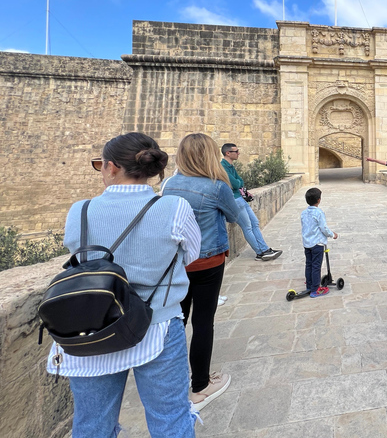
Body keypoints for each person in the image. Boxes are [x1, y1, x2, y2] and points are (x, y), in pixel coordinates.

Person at [47, 132, 201, 437]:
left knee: (92, 424)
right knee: (170, 418)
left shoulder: (80, 211)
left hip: (90, 329)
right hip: (155, 325)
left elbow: (80, 258)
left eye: (99, 165)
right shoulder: (174, 208)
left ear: (112, 167)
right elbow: (190, 255)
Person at [163, 134, 253, 410]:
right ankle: (200, 384)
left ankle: (173, 382)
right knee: (203, 322)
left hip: (177, 263)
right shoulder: (217, 185)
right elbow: (232, 216)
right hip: (207, 261)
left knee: (177, 320)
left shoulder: (168, 185)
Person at [220, 143, 282, 260]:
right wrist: (238, 183)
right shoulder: (222, 167)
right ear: (228, 153)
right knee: (247, 227)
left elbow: (240, 181)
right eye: (236, 151)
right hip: (234, 201)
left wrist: (238, 183)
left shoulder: (231, 167)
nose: (238, 153)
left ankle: (265, 249)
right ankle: (260, 252)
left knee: (255, 223)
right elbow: (235, 184)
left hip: (240, 199)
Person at [301, 187, 338, 298]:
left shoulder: (303, 213)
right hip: (317, 244)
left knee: (309, 264)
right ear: (319, 200)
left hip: (307, 243)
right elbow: (323, 228)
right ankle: (315, 289)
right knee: (316, 266)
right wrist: (332, 234)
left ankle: (309, 285)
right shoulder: (319, 213)